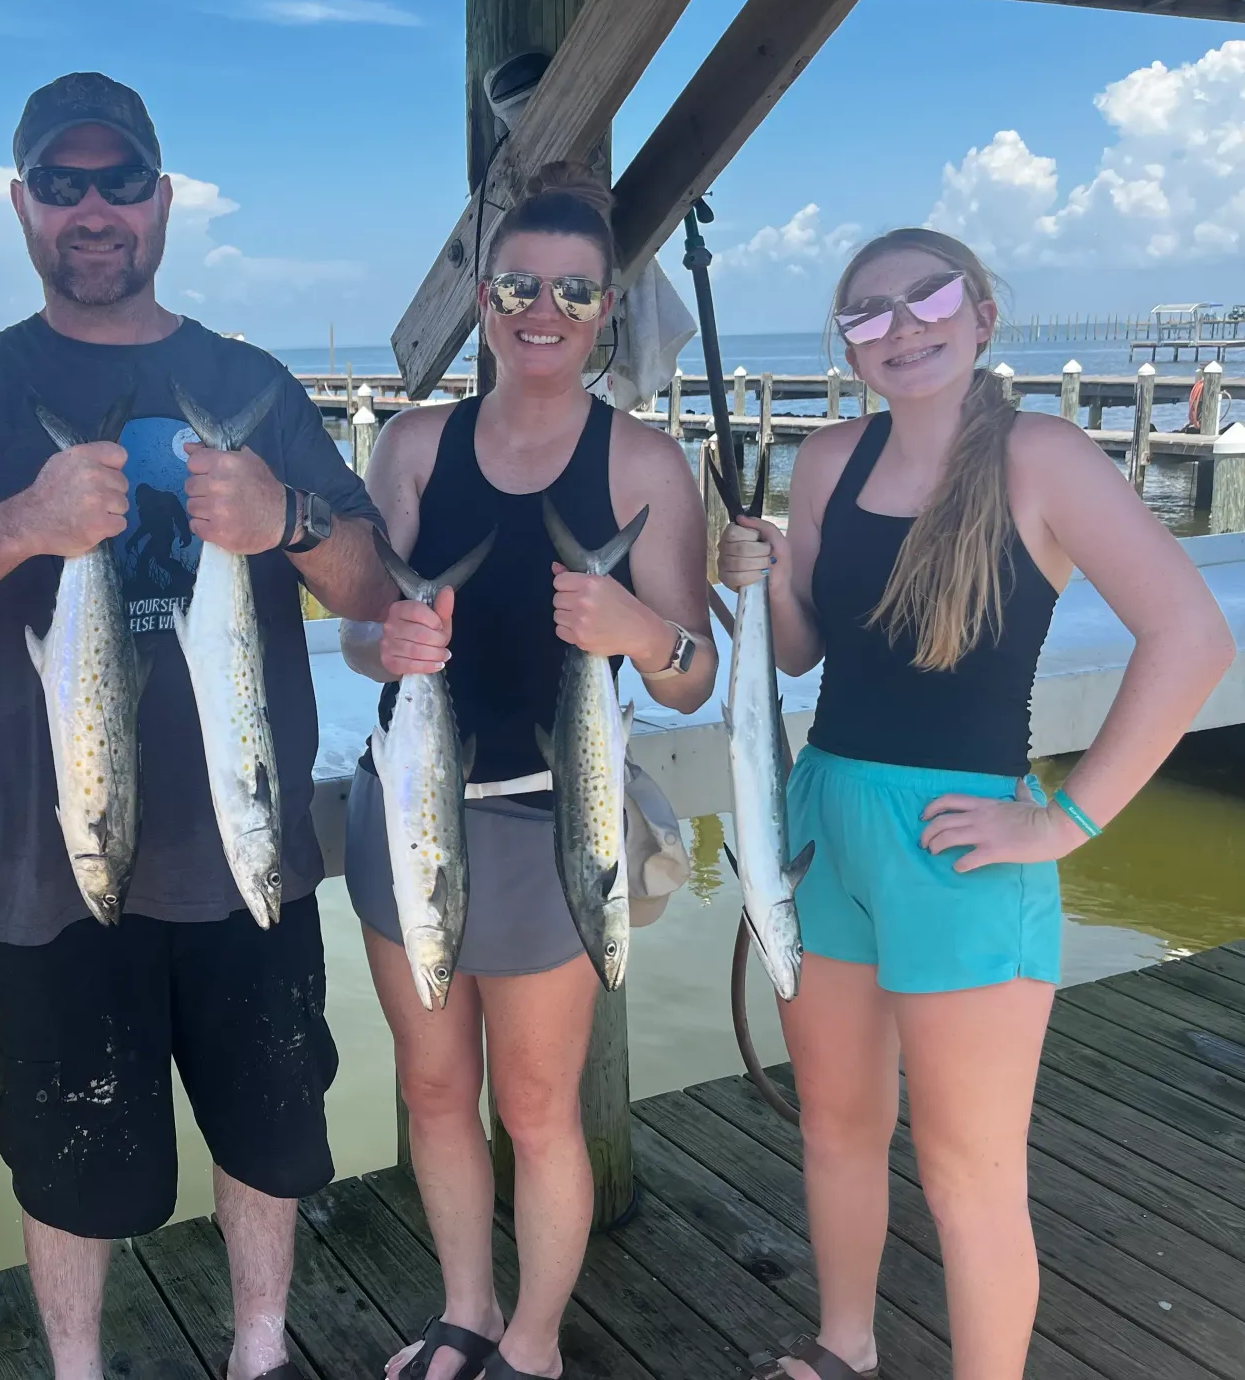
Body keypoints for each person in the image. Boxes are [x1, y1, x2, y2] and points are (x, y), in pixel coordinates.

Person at [0, 71, 397, 1380]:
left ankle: (260, 1350)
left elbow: (376, 588)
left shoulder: (249, 383)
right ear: (23, 204)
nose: (94, 209)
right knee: (68, 1163)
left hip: (244, 858)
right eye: (64, 183)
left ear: (164, 200)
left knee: (272, 1134)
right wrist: (17, 525)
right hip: (50, 875)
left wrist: (285, 521)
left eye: (119, 180)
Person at [720, 228, 1233, 1380]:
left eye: (927, 298)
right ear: (846, 344)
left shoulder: (1044, 458)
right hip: (818, 821)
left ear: (982, 314)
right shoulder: (828, 461)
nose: (901, 327)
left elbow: (1192, 637)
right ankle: (844, 1346)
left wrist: (1066, 820)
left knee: (970, 1173)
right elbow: (801, 654)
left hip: (963, 845)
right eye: (868, 312)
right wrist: (756, 578)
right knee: (836, 1123)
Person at [338, 161, 717, 1380]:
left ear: (608, 308)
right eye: (517, 284)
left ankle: (536, 1343)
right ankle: (465, 1312)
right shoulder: (410, 445)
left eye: (572, 289)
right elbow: (357, 627)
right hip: (403, 812)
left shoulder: (647, 467)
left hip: (555, 827)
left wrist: (639, 634)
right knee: (435, 1093)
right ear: (484, 298)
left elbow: (696, 674)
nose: (540, 308)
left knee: (539, 1108)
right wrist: (380, 639)